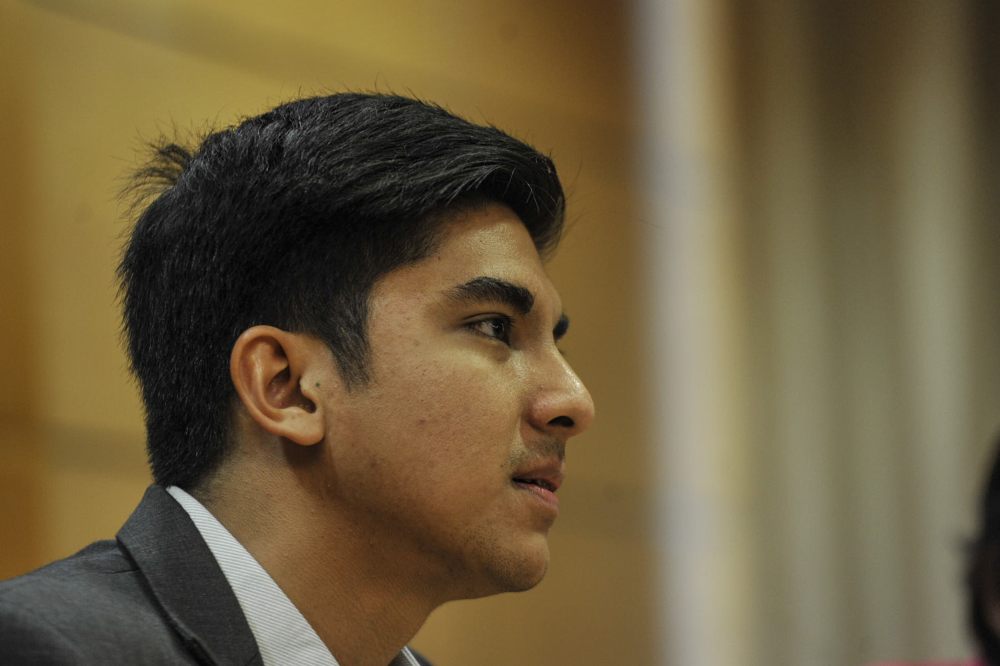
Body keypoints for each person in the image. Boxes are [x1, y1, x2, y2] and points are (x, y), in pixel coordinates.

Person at [0, 93, 594, 665]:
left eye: (555, 341)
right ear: (285, 386)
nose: (574, 401)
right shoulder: (45, 650)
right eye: (494, 327)